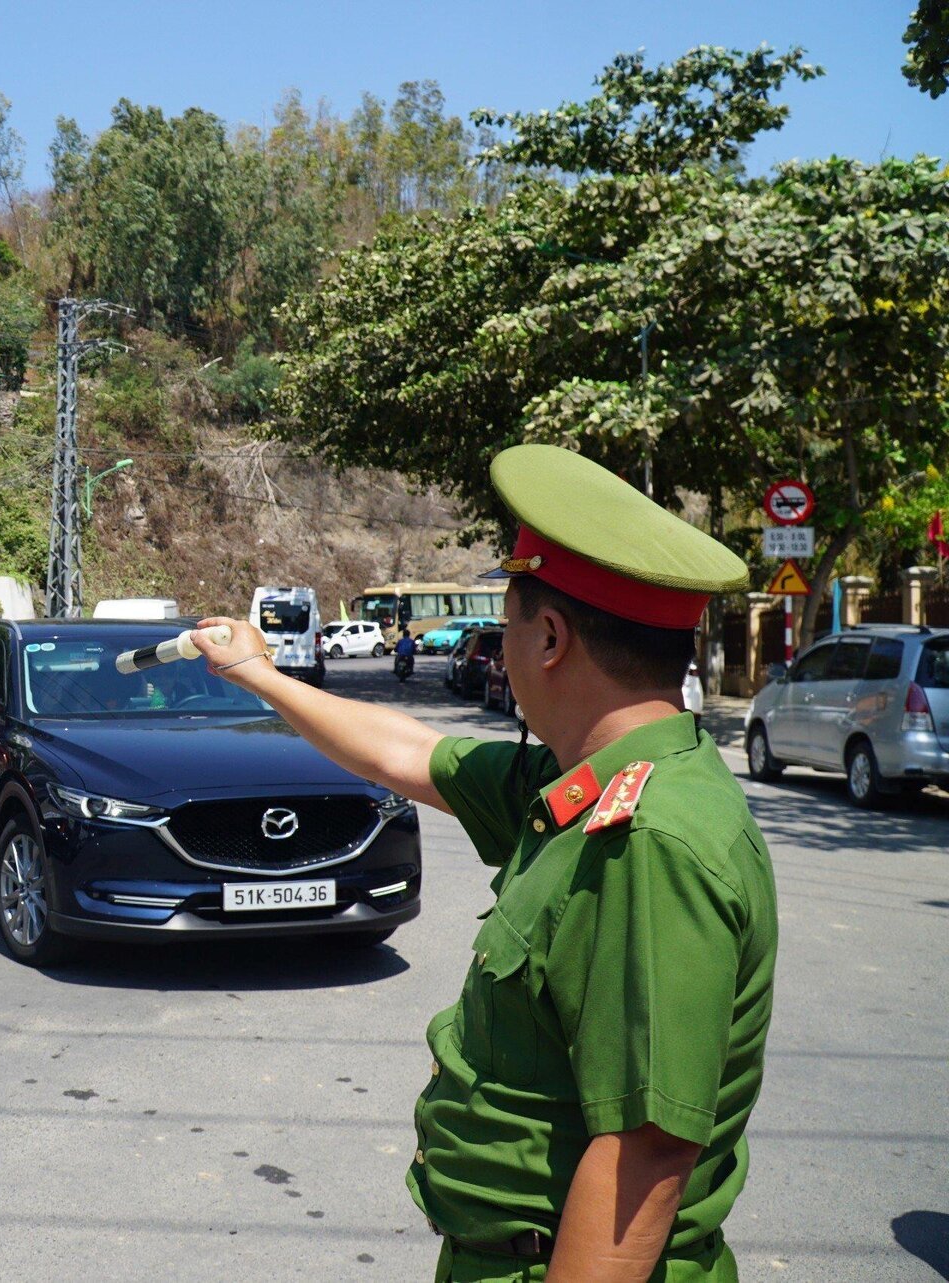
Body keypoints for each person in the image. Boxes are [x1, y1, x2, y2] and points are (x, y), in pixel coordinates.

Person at [193, 443, 772, 1282]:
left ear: (547, 637)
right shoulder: (581, 784)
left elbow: (645, 1158)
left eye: (505, 626)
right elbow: (412, 753)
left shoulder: (649, 838)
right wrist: (259, 675)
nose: (498, 648)